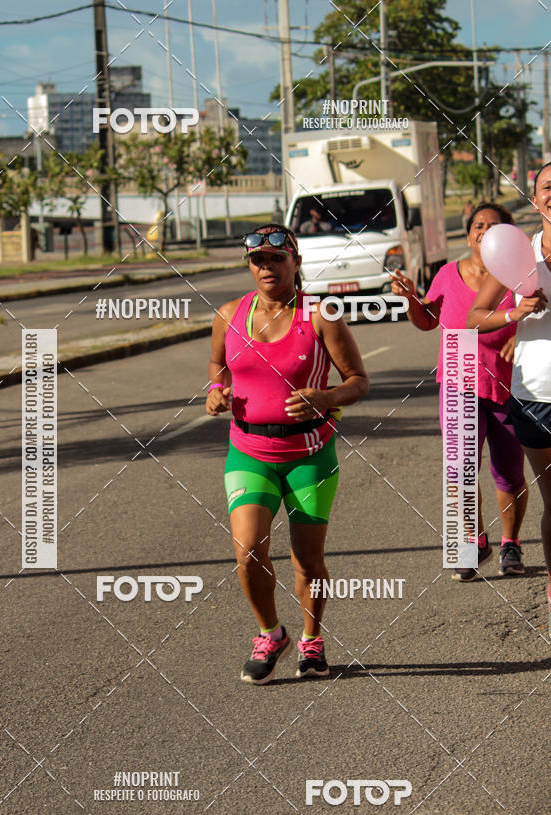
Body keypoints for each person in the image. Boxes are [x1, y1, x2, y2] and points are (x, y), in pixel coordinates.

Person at [206, 223, 369, 684]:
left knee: (307, 561)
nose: (267, 267)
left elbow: (358, 379)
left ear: (295, 262)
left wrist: (323, 397)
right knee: (247, 550)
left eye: (277, 259)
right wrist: (216, 390)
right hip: (249, 450)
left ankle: (311, 640)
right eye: (258, 260)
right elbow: (218, 366)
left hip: (309, 455)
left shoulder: (321, 314)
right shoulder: (229, 315)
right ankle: (269, 633)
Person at [391, 202, 529, 581]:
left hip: (509, 382)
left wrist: (521, 336)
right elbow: (427, 320)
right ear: (468, 235)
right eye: (478, 226)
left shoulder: (522, 275)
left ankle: (510, 543)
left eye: (494, 226)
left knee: (509, 473)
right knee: (460, 471)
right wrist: (409, 300)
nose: (485, 232)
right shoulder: (448, 274)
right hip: (458, 380)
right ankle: (471, 542)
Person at [467, 165, 551, 614]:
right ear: (535, 200)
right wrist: (514, 315)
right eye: (547, 188)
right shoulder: (519, 252)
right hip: (535, 398)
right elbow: (474, 317)